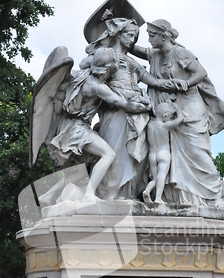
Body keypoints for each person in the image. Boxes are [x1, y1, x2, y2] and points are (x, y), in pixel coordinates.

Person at [131, 19, 224, 207]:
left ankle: (214, 195)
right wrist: (116, 26)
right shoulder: (155, 55)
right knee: (172, 154)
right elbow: (132, 48)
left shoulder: (180, 52)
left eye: (152, 36)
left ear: (164, 35)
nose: (149, 40)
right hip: (170, 111)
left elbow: (201, 72)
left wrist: (186, 83)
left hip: (190, 108)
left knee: (197, 152)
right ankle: (180, 198)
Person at [38, 47, 151, 206]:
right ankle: (88, 195)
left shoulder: (81, 75)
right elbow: (124, 104)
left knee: (84, 165)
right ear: (110, 67)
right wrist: (148, 107)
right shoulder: (97, 86)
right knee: (108, 154)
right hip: (77, 128)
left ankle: (49, 195)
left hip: (69, 124)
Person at [82, 17, 178, 201]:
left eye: (135, 36)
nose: (132, 40)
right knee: (115, 155)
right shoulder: (107, 56)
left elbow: (155, 81)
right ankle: (108, 197)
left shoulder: (132, 62)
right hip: (116, 113)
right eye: (129, 34)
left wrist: (178, 82)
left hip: (138, 114)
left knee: (135, 159)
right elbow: (85, 66)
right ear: (118, 34)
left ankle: (129, 196)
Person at [143, 102, 183, 204]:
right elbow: (180, 119)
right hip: (163, 154)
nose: (170, 119)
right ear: (165, 116)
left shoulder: (150, 125)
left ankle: (147, 190)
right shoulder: (165, 125)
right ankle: (158, 198)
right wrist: (177, 109)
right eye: (170, 117)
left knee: (155, 178)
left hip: (152, 155)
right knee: (161, 176)